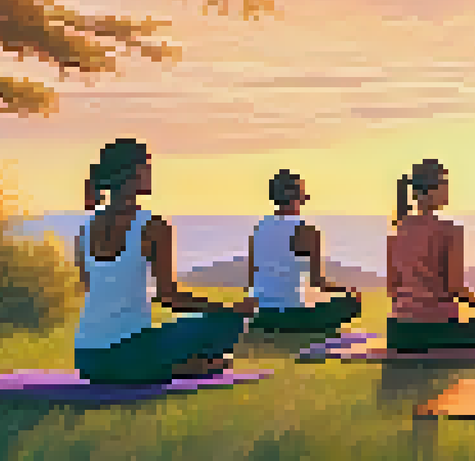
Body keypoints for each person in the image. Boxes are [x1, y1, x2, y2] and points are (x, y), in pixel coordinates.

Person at [73, 139, 257, 384]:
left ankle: (176, 366)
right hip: (130, 354)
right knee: (227, 323)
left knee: (158, 339)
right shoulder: (153, 225)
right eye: (147, 167)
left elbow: (92, 290)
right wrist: (230, 309)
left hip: (87, 358)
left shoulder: (85, 230)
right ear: (134, 173)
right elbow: (169, 297)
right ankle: (181, 367)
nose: (150, 174)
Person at [386, 159, 475, 353]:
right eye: (444, 183)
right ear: (433, 189)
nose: (447, 190)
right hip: (437, 328)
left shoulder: (397, 231)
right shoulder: (450, 230)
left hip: (398, 331)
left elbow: (392, 289)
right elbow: (455, 287)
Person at [247, 170, 363, 335]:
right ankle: (316, 328)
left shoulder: (259, 229)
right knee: (352, 301)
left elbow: (252, 280)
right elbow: (317, 282)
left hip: (264, 315)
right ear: (297, 198)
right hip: (293, 316)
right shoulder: (306, 231)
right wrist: (346, 290)